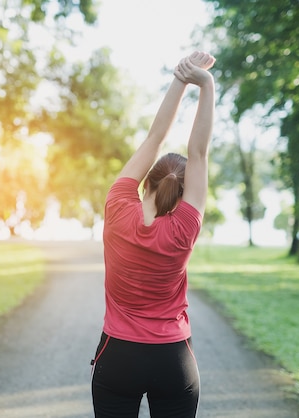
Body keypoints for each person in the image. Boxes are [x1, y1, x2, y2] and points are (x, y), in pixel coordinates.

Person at [90, 51, 216, 418]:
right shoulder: (183, 230)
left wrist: (180, 77)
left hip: (117, 357)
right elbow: (200, 152)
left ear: (147, 183)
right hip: (172, 360)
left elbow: (155, 137)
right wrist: (206, 84)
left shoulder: (118, 206)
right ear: (181, 195)